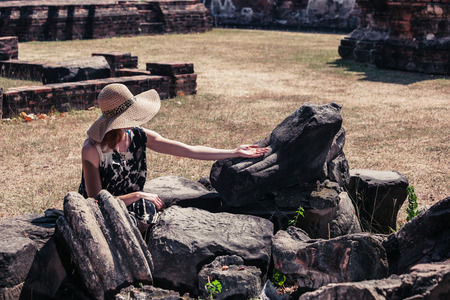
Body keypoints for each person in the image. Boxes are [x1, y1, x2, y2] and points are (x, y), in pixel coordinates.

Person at [79, 83, 268, 230]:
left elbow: (188, 150)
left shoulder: (138, 135)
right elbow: (96, 200)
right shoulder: (93, 149)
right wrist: (138, 195)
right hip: (105, 209)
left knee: (146, 218)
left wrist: (233, 152)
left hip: (134, 204)